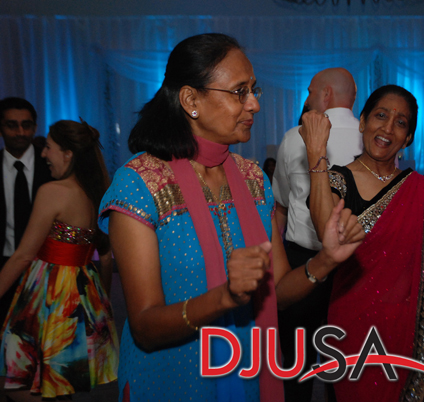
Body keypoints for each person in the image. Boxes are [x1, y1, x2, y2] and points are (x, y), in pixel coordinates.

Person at [98, 33, 364, 402]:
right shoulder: (140, 183)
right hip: (174, 380)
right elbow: (144, 326)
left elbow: (277, 293)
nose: (254, 104)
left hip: (248, 372)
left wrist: (326, 260)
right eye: (240, 92)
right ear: (191, 100)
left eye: (254, 90)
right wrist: (225, 296)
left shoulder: (253, 178)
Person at [300, 84, 424, 402]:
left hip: (411, 333)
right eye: (380, 116)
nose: (388, 128)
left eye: (400, 122)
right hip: (353, 330)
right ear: (363, 122)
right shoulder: (337, 180)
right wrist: (316, 153)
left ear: (407, 138)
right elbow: (328, 231)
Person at [0, 120, 118, 400]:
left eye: (48, 147)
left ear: (68, 154)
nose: (43, 154)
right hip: (84, 294)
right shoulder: (97, 192)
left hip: (50, 295)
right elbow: (106, 257)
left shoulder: (53, 192)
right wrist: (99, 306)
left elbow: (23, 255)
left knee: (17, 382)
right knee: (59, 381)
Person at [272, 67, 362, 402]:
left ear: (325, 94)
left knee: (297, 366)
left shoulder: (295, 137)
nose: (307, 99)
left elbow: (281, 202)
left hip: (303, 265)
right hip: (355, 266)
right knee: (347, 360)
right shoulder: (370, 140)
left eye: (310, 91)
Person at [0, 97, 53, 342]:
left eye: (26, 125)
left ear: (35, 127)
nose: (20, 132)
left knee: (42, 342)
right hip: (3, 265)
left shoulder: (51, 167)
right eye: (12, 125)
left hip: (46, 268)